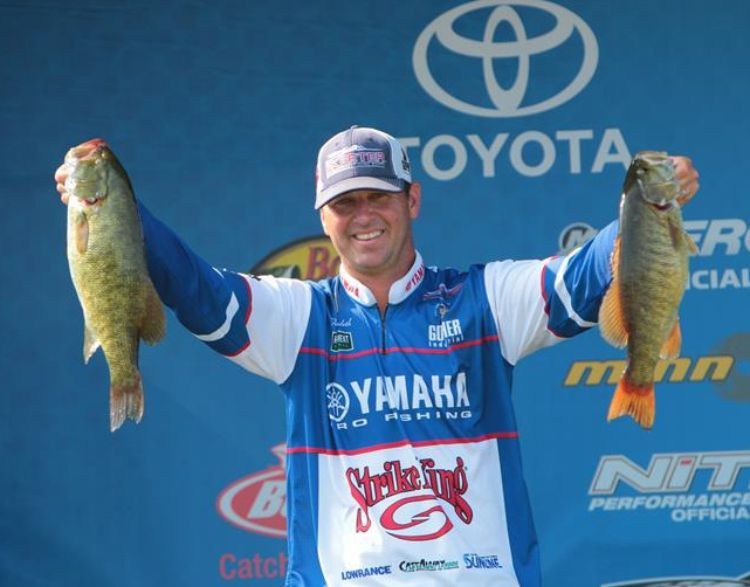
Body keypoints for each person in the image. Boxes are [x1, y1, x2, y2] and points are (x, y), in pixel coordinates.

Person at [55, 126, 699, 586]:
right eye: (344, 203)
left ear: (411, 200)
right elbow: (196, 289)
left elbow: (584, 278)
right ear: (323, 215)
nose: (364, 216)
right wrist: (109, 203)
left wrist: (644, 208)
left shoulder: (485, 300)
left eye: (379, 197)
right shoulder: (300, 317)